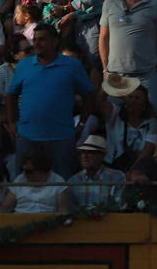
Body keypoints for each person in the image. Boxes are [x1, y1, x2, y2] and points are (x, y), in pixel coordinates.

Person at [6, 23, 94, 179]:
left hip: (61, 138)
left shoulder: (72, 65)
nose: (37, 43)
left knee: (63, 184)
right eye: (35, 39)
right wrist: (12, 123)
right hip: (27, 136)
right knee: (24, 185)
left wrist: (82, 124)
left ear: (55, 41)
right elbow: (11, 95)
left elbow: (89, 94)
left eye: (42, 39)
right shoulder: (24, 65)